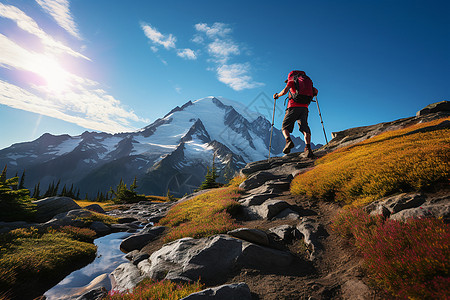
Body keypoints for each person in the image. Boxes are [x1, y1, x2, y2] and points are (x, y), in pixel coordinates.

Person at [273, 70, 318, 158]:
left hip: (293, 107)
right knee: (305, 127)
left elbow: (285, 91)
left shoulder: (291, 81)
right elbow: (316, 91)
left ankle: (288, 141)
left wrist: (277, 96)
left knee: (285, 126)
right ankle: (308, 148)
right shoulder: (307, 83)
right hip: (304, 108)